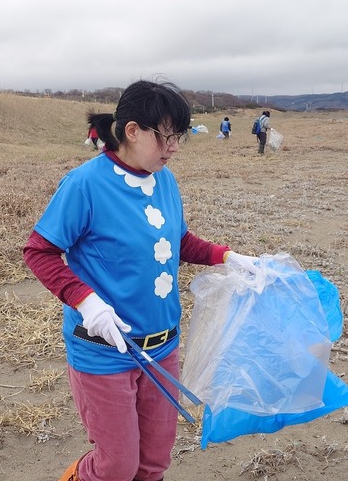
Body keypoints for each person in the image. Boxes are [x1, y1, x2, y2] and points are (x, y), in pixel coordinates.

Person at [22, 79, 255, 481]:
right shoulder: (85, 185)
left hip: (162, 348)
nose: (174, 148)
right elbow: (39, 251)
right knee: (116, 466)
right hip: (104, 351)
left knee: (153, 464)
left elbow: (178, 242)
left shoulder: (164, 178)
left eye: (179, 137)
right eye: (166, 137)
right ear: (132, 131)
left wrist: (227, 257)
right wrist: (86, 301)